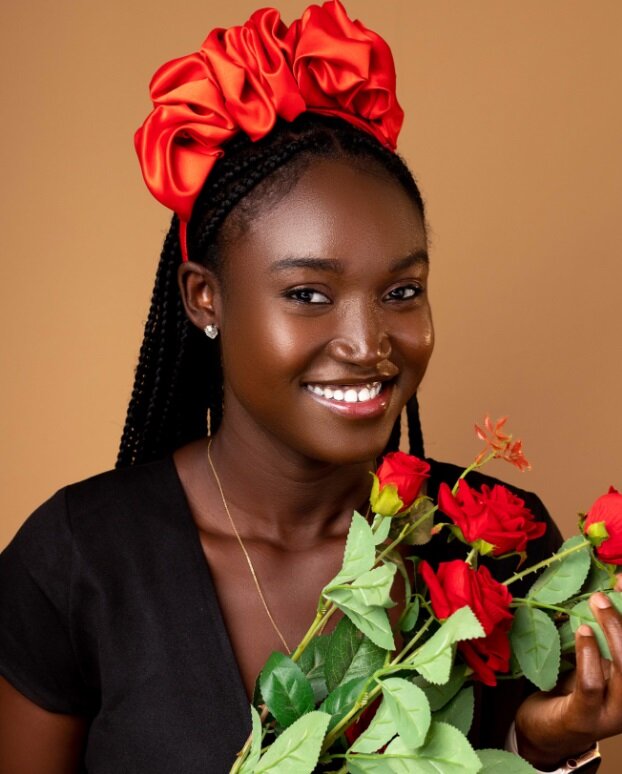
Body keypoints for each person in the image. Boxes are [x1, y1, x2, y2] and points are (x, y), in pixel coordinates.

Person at [0, 2, 620, 772]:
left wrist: (546, 744)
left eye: (401, 292)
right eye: (309, 294)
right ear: (206, 299)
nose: (369, 346)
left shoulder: (499, 549)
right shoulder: (76, 560)